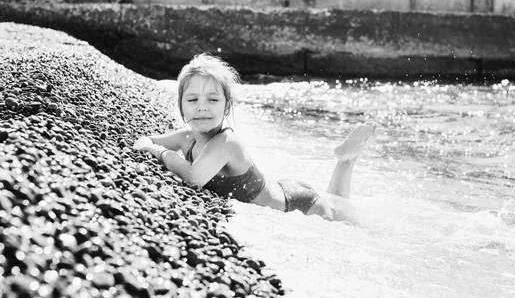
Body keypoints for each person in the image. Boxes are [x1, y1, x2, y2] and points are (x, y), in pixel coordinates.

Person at [133, 53, 381, 222]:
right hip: (280, 187)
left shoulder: (227, 143)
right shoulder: (186, 137)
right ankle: (347, 159)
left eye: (213, 99)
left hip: (299, 205)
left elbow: (193, 177)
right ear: (181, 105)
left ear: (227, 106)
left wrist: (159, 153)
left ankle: (347, 160)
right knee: (337, 200)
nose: (202, 107)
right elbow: (147, 140)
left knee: (353, 222)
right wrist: (150, 144)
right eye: (192, 99)